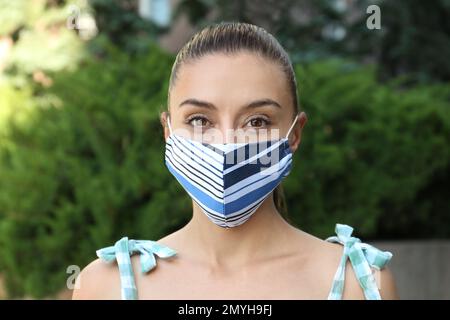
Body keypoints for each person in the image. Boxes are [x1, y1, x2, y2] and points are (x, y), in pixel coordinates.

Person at [72, 22, 398, 300]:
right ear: (167, 131)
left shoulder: (362, 284)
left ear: (294, 134)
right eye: (200, 120)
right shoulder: (105, 285)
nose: (227, 143)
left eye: (256, 122)